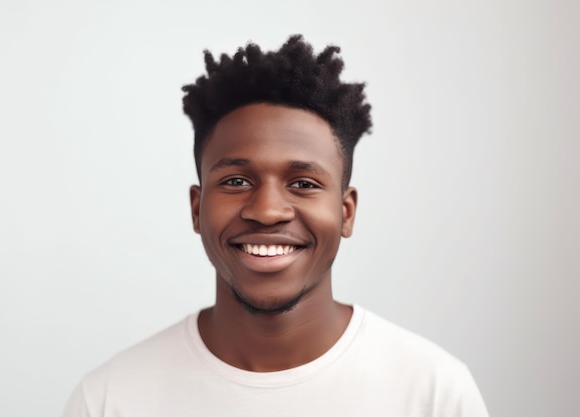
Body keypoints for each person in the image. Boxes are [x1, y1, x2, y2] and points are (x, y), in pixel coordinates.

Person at [63, 35, 489, 417]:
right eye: (236, 181)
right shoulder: (110, 400)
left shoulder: (434, 395)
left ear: (346, 212)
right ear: (197, 208)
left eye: (303, 183)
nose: (267, 211)